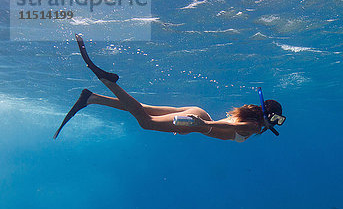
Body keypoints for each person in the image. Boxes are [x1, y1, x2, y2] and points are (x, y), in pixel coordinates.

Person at [53, 35, 285, 141]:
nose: (275, 124)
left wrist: (201, 122)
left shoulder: (251, 118)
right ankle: (109, 82)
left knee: (145, 108)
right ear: (270, 116)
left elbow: (230, 124)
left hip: (198, 113)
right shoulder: (255, 127)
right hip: (199, 122)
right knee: (146, 122)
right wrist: (203, 125)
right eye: (277, 120)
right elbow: (227, 126)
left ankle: (92, 98)